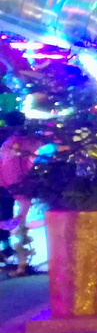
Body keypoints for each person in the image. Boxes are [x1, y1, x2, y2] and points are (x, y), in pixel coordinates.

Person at [0, 110, 41, 274]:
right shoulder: (22, 139)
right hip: (13, 181)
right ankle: (12, 251)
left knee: (12, 213)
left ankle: (16, 255)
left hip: (13, 181)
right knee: (12, 213)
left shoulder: (14, 139)